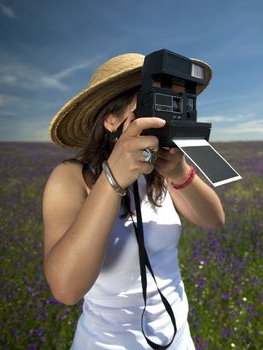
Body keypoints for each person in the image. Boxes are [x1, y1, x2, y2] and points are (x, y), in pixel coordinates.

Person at [42, 53, 225, 349]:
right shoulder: (71, 177)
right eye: (153, 104)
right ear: (111, 119)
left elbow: (214, 219)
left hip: (178, 335)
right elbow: (66, 289)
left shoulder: (160, 169)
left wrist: (178, 171)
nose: (166, 114)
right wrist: (112, 178)